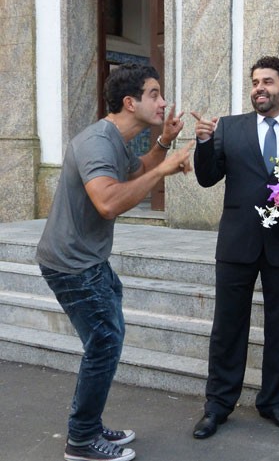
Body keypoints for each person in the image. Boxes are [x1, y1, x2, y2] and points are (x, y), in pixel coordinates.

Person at [36, 63, 193, 461]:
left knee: (105, 339)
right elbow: (107, 202)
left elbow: (135, 170)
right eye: (154, 94)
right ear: (130, 101)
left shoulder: (118, 140)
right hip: (71, 263)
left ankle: (89, 422)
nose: (162, 101)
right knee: (104, 343)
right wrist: (164, 168)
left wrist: (163, 144)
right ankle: (82, 439)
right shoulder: (96, 142)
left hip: (88, 259)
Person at [191, 56, 279, 439]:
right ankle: (217, 406)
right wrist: (202, 143)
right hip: (237, 242)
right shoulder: (228, 129)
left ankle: (273, 402)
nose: (258, 88)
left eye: (267, 81)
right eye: (254, 82)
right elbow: (206, 177)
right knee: (227, 327)